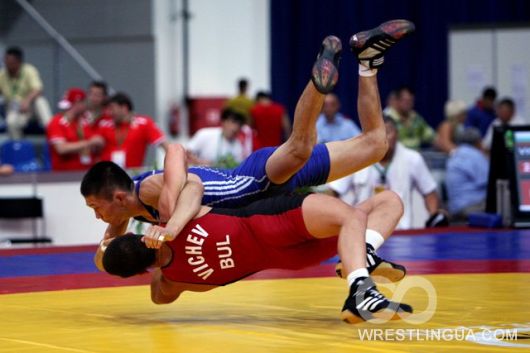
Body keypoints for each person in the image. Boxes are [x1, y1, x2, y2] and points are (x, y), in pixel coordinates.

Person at [82, 19, 415, 254]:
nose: (98, 217)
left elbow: (178, 156)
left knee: (299, 148)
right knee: (375, 145)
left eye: (98, 208)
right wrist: (107, 251)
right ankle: (369, 60)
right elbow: (106, 249)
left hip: (251, 181)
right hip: (262, 189)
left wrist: (169, 221)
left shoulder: (150, 191)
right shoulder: (128, 209)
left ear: (119, 198)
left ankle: (317, 82)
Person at [97, 191, 413, 324]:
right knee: (354, 215)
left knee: (382, 204)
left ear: (139, 272)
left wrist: (136, 258)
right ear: (141, 234)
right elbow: (191, 180)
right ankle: (361, 284)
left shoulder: (174, 282)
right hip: (273, 221)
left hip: (287, 259)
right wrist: (165, 228)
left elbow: (157, 296)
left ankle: (363, 257)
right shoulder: (172, 217)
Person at [328, 117, 447, 229]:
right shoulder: (355, 157)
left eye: (388, 132)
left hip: (402, 232)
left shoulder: (413, 158)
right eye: (379, 133)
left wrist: (434, 215)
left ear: (397, 134)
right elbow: (333, 192)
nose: (384, 137)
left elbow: (430, 193)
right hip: (362, 232)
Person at [97, 92, 169, 169]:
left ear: (124, 108)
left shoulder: (144, 123)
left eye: (112, 108)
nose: (109, 113)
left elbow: (165, 145)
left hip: (133, 176)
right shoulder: (105, 124)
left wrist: (172, 168)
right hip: (106, 175)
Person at [0, 46, 52, 139]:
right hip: (16, 110)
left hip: (32, 108)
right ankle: (18, 147)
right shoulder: (2, 75)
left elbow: (38, 89)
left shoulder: (29, 70)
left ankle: (53, 133)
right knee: (11, 122)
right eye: (6, 61)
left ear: (18, 62)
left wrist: (27, 101)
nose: (7, 64)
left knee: (40, 101)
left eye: (10, 62)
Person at [46, 88, 104, 171]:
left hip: (86, 172)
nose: (85, 105)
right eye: (83, 102)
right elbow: (61, 148)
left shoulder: (84, 122)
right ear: (77, 103)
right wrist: (89, 143)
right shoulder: (56, 122)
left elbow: (96, 141)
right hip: (64, 174)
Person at [445, 128, 489, 221]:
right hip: (471, 206)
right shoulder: (474, 154)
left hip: (455, 208)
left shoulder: (456, 153)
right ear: (478, 142)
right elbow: (489, 180)